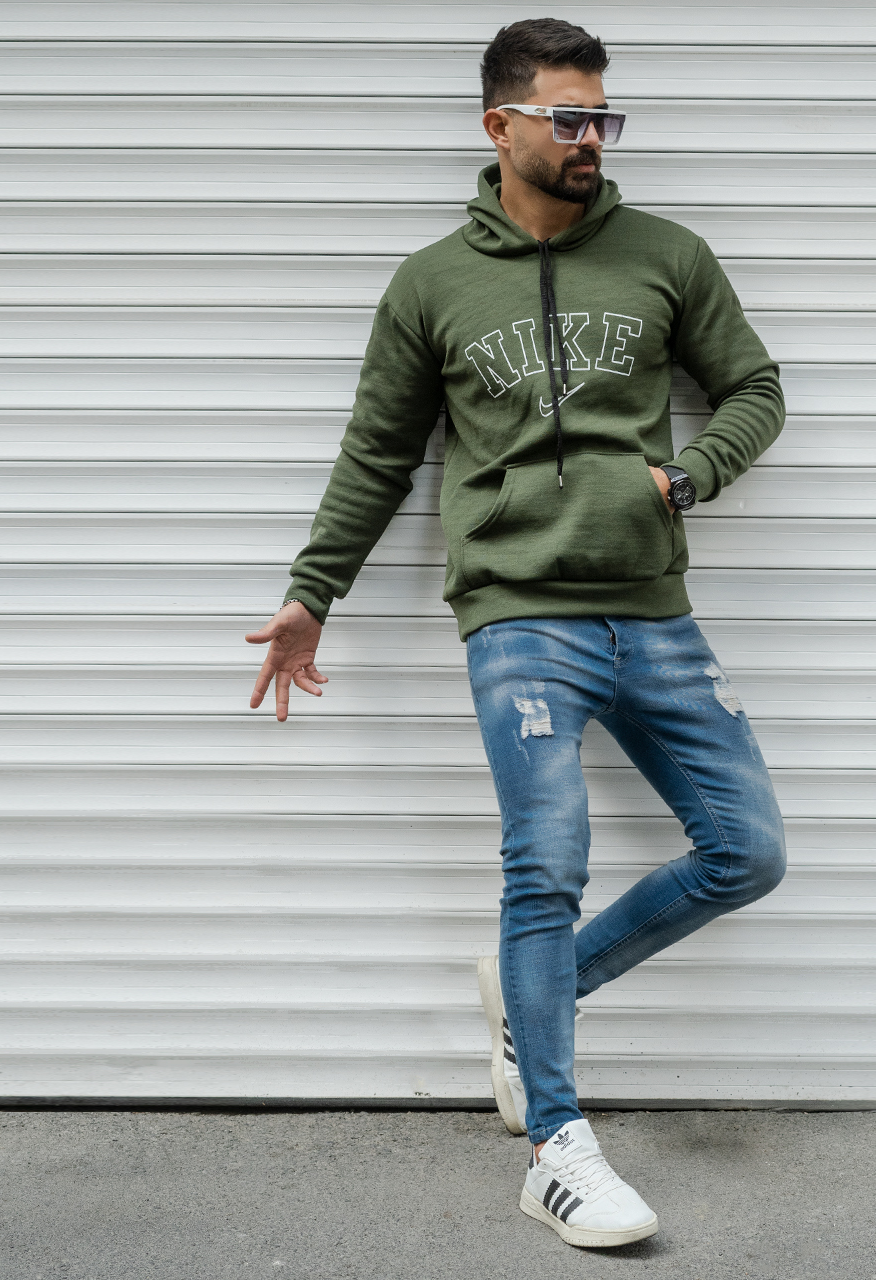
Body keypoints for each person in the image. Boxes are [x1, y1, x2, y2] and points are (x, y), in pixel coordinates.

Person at [246, 17, 787, 1249]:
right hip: (516, 615)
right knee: (544, 862)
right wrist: (312, 592)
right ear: (501, 126)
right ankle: (555, 1145)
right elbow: (378, 452)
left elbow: (755, 387)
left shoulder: (666, 255)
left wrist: (685, 476)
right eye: (568, 117)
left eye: (603, 117)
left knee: (747, 849)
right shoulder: (432, 283)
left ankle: (535, 989)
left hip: (651, 608)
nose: (592, 138)